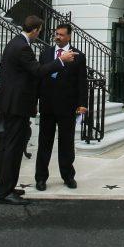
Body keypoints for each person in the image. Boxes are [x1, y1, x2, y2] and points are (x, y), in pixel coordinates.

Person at [0, 15, 75, 205]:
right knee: (12, 149)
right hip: (16, 106)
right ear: (36, 29)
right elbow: (37, 71)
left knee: (9, 148)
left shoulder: (15, 43)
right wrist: (61, 60)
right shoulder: (22, 47)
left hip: (12, 104)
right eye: (41, 30)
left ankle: (6, 187)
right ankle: (5, 192)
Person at [34, 23, 87, 191]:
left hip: (67, 106)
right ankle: (41, 178)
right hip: (48, 106)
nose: (57, 37)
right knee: (44, 143)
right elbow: (40, 75)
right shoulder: (46, 53)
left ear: (69, 36)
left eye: (61, 34)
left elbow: (81, 82)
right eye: (56, 34)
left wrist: (82, 104)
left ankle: (68, 176)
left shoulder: (78, 56)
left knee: (66, 144)